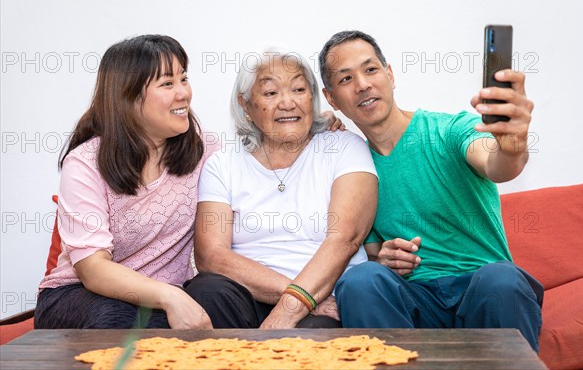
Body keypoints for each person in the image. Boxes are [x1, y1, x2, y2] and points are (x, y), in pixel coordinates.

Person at [318, 30, 543, 351]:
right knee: (360, 280)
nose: (363, 84)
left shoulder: (449, 130)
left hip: (483, 293)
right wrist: (384, 258)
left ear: (390, 75)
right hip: (416, 302)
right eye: (345, 79)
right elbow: (371, 256)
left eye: (370, 70)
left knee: (501, 278)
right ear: (332, 99)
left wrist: (513, 143)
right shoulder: (354, 169)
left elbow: (499, 165)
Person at [34, 35, 217, 330]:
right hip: (78, 296)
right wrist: (170, 296)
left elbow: (260, 163)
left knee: (215, 305)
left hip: (159, 301)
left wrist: (317, 127)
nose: (183, 93)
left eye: (184, 79)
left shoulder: (203, 149)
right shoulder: (85, 163)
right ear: (128, 97)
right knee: (123, 320)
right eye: (167, 84)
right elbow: (93, 270)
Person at [187, 47, 379, 329]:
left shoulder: (345, 147)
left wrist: (296, 306)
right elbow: (211, 256)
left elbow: (345, 239)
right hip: (255, 297)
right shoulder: (222, 164)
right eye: (270, 93)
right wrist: (295, 297)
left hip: (326, 298)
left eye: (299, 89)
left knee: (315, 334)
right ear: (245, 105)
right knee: (206, 291)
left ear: (312, 97)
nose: (288, 103)